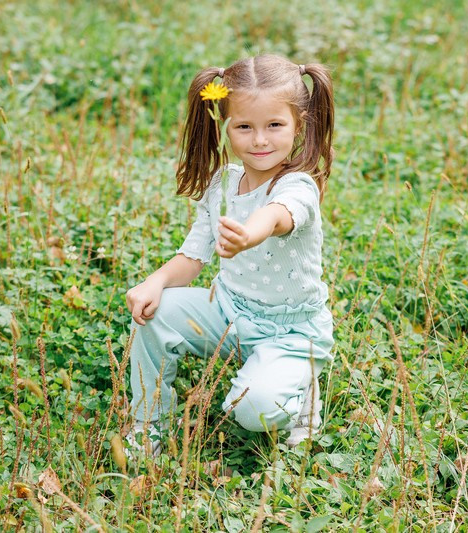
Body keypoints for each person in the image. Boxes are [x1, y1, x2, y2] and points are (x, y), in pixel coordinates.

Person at [124, 54, 335, 455]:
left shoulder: (298, 185)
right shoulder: (223, 183)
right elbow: (193, 257)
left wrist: (248, 236)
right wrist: (155, 281)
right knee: (152, 314)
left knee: (251, 410)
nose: (259, 140)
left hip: (291, 332)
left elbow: (277, 217)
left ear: (298, 126)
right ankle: (149, 425)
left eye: (275, 125)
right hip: (226, 313)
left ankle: (300, 396)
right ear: (226, 127)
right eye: (244, 127)